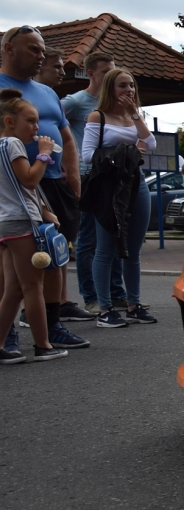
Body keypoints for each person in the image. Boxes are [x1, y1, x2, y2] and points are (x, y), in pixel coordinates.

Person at [0, 27, 83, 329]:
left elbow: (68, 138)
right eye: (33, 49)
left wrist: (72, 174)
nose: (41, 56)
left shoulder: (47, 92)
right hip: (11, 188)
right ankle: (8, 336)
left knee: (52, 253)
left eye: (42, 49)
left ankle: (52, 327)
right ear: (9, 49)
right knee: (11, 265)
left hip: (50, 182)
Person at [82, 69, 156, 328]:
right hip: (108, 187)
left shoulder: (135, 116)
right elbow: (88, 155)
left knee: (133, 250)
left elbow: (151, 143)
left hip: (136, 183)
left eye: (132, 86)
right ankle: (105, 309)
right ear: (110, 89)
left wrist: (135, 114)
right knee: (105, 249)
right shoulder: (98, 117)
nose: (129, 91)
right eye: (123, 86)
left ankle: (134, 305)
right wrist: (126, 153)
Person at [0, 89, 68, 362]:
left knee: (14, 290)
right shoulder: (13, 144)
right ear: (9, 122)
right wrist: (43, 154)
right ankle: (43, 345)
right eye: (30, 121)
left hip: (6, 223)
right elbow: (29, 180)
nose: (37, 127)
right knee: (32, 287)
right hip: (21, 222)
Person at [60, 50, 125, 313]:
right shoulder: (76, 102)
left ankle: (116, 294)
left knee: (114, 233)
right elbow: (51, 122)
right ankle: (92, 297)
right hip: (88, 174)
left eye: (113, 70)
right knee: (88, 238)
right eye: (104, 72)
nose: (109, 76)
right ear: (90, 73)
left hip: (113, 177)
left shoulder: (114, 103)